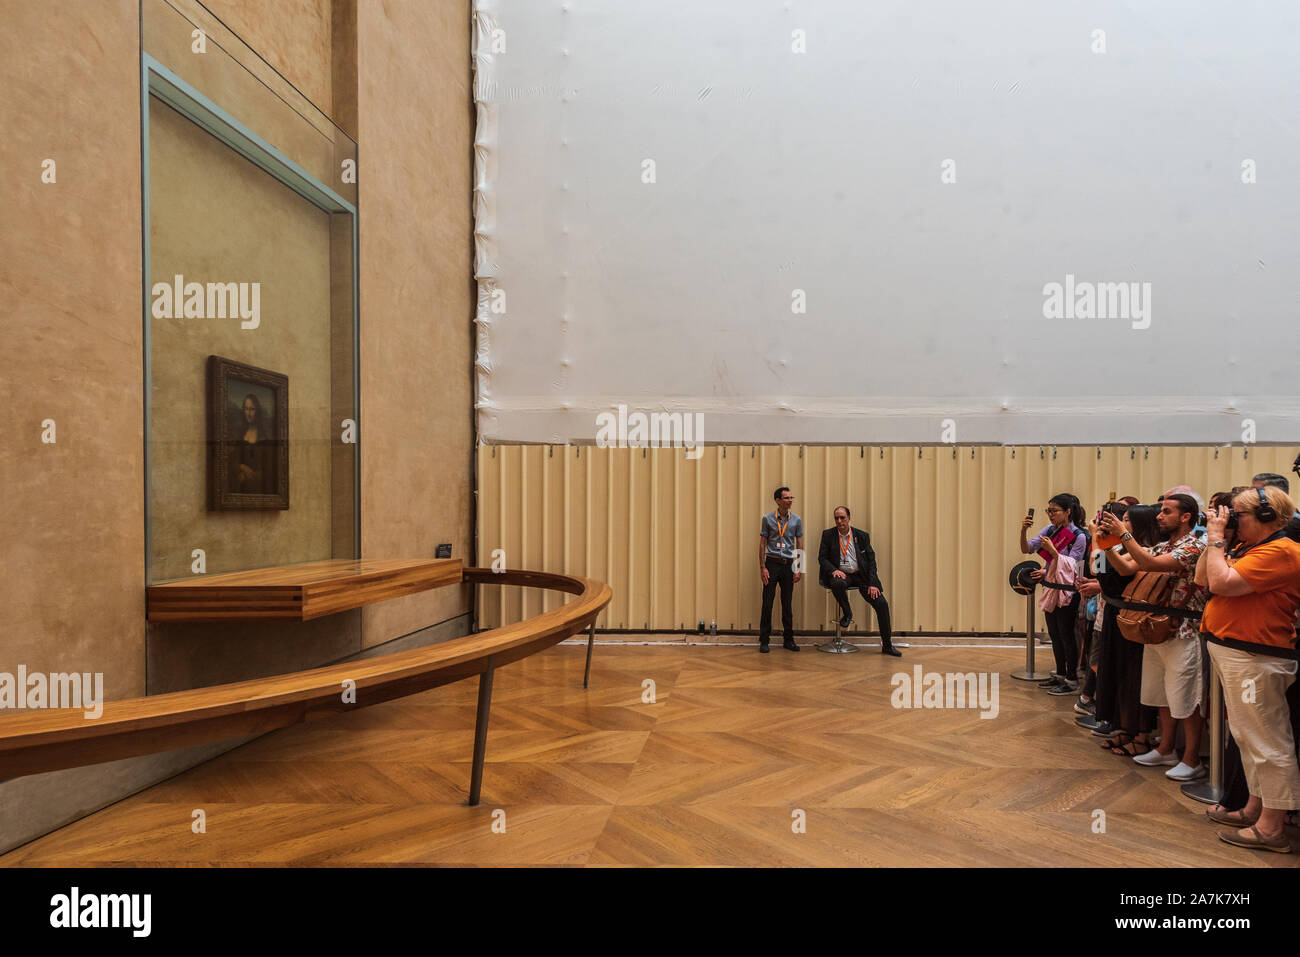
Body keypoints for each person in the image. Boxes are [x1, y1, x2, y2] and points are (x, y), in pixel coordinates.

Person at [1199, 486, 1300, 853]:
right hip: (1237, 653)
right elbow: (1202, 579)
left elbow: (1222, 582)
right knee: (1248, 738)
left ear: (1267, 518)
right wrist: (1215, 539)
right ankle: (1255, 808)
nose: (1228, 519)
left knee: (1268, 742)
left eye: (1236, 514)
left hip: (1256, 657)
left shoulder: (1282, 551)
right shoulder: (1248, 548)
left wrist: (1214, 541)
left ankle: (1271, 828)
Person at [1099, 493, 1208, 780]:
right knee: (1161, 694)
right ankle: (1166, 748)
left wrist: (1122, 534)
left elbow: (1151, 563)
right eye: (1160, 512)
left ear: (1186, 517)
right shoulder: (1164, 545)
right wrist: (1107, 543)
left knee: (1186, 698)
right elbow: (1126, 567)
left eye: (1166, 512)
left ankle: (1192, 758)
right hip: (1156, 628)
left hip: (1184, 631)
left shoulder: (1194, 546)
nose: (1159, 516)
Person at [1087, 504, 1160, 756]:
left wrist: (1101, 544)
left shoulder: (1144, 550)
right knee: (1116, 675)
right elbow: (1096, 570)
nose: (1122, 523)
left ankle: (1140, 735)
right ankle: (1124, 729)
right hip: (1113, 614)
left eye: (1127, 520)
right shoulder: (1122, 547)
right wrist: (1101, 543)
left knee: (1132, 678)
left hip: (1132, 618)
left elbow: (1119, 569)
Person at [1020, 493, 1088, 693]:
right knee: (1054, 635)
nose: (1050, 515)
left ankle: (1071, 679)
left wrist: (1053, 552)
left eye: (1054, 511)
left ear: (1068, 512)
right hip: (1050, 588)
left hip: (1068, 592)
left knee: (1067, 635)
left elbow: (1072, 567)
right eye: (1048, 511)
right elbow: (1027, 548)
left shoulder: (1079, 536)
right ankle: (1059, 674)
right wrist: (1023, 530)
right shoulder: (1049, 530)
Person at [817, 506, 900, 656]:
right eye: (836, 518)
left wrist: (873, 583)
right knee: (837, 582)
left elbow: (871, 561)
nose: (839, 521)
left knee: (882, 604)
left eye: (842, 517)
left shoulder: (861, 536)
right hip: (842, 575)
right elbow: (822, 558)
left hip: (861, 575)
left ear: (849, 518)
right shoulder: (828, 535)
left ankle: (887, 645)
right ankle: (847, 613)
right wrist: (834, 570)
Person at [758, 486, 803, 653]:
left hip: (788, 565)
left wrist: (798, 568)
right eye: (786, 498)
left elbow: (800, 545)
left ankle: (789, 640)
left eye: (791, 498)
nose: (790, 500)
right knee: (767, 603)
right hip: (772, 563)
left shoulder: (796, 520)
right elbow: (763, 544)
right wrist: (762, 567)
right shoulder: (768, 519)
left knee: (787, 604)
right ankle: (764, 640)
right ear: (778, 500)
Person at [229, 393, 274, 493]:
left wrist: (249, 475)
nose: (248, 413)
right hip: (241, 487)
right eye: (246, 409)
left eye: (252, 409)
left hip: (257, 487)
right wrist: (242, 467)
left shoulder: (264, 437)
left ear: (257, 411)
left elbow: (268, 470)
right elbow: (233, 460)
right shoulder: (240, 434)